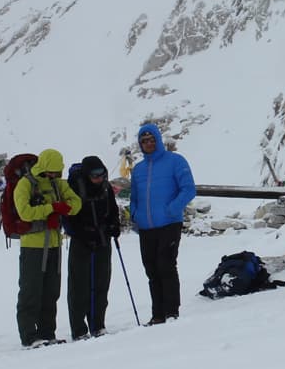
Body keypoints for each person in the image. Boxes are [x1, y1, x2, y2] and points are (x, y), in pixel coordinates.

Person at [128, 123, 196, 325]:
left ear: (158, 140)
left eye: (151, 140)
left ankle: (171, 312)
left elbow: (188, 189)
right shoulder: (138, 169)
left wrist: (172, 209)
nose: (148, 144)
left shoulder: (175, 161)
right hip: (146, 227)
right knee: (151, 269)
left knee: (166, 265)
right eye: (144, 141)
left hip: (169, 223)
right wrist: (134, 214)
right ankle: (157, 314)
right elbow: (134, 197)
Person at [15, 149, 82, 347]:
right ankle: (29, 336)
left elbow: (76, 203)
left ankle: (47, 333)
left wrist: (64, 207)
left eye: (56, 172)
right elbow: (25, 212)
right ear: (43, 167)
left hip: (54, 244)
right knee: (30, 291)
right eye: (51, 171)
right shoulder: (25, 184)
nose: (54, 175)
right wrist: (52, 209)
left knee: (51, 291)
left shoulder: (57, 184)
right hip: (33, 246)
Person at [65, 155, 122, 340]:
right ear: (87, 174)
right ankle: (79, 329)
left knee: (101, 282)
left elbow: (113, 210)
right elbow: (68, 217)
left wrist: (114, 226)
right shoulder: (75, 187)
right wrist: (81, 234)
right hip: (81, 242)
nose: (99, 178)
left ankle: (98, 325)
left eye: (102, 174)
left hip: (102, 240)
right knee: (79, 286)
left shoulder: (105, 187)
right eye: (95, 175)